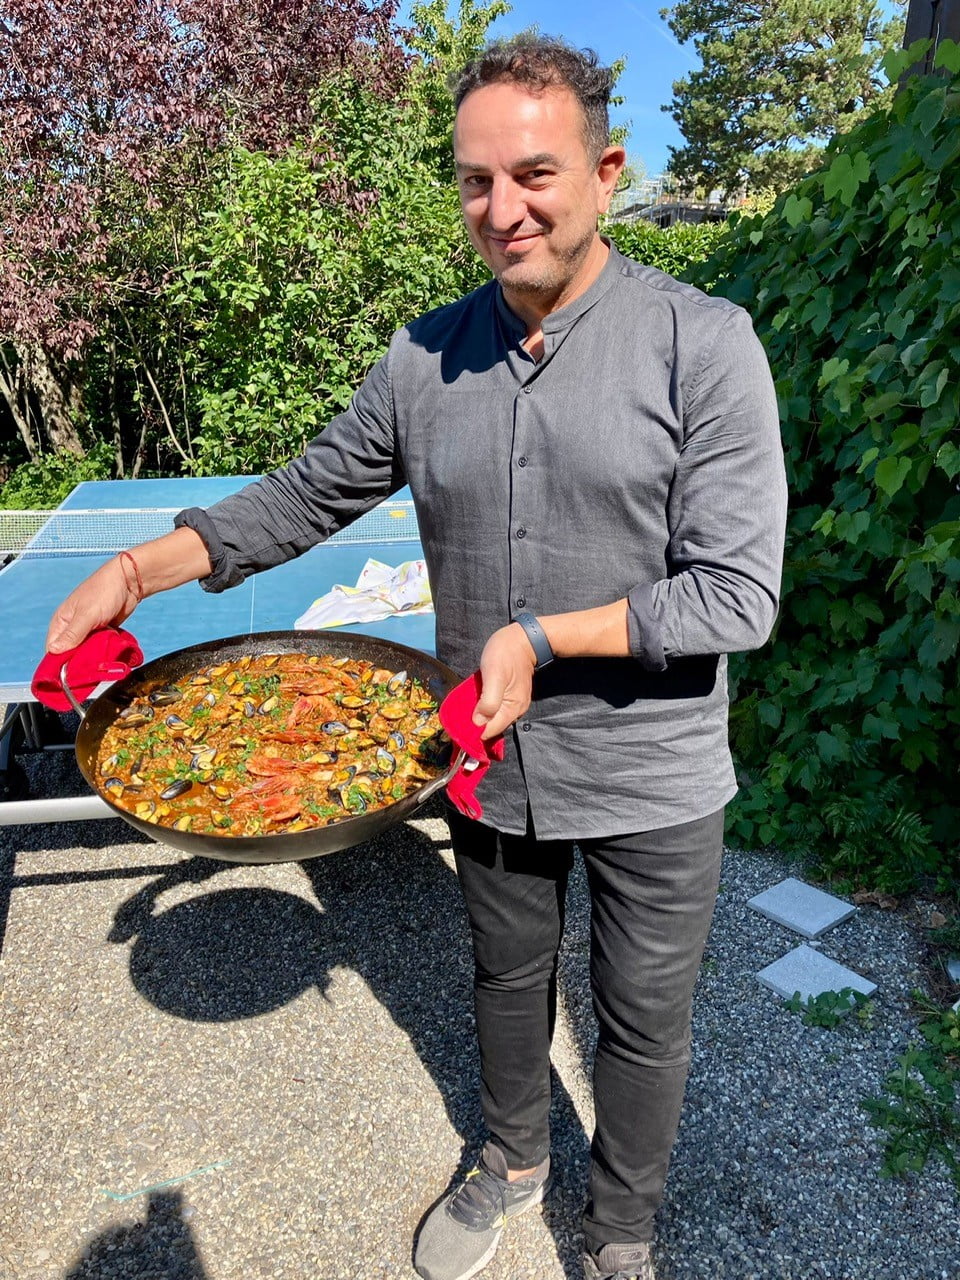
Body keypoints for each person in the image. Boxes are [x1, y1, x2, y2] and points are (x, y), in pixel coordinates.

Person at [46, 34, 788, 1280]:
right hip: (486, 755)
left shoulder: (702, 344)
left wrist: (544, 636)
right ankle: (511, 1155)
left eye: (535, 175)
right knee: (504, 975)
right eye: (476, 181)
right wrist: (138, 569)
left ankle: (620, 1227)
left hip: (652, 770)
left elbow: (738, 592)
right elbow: (302, 495)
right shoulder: (425, 356)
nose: (504, 210)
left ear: (605, 172)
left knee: (641, 1023)